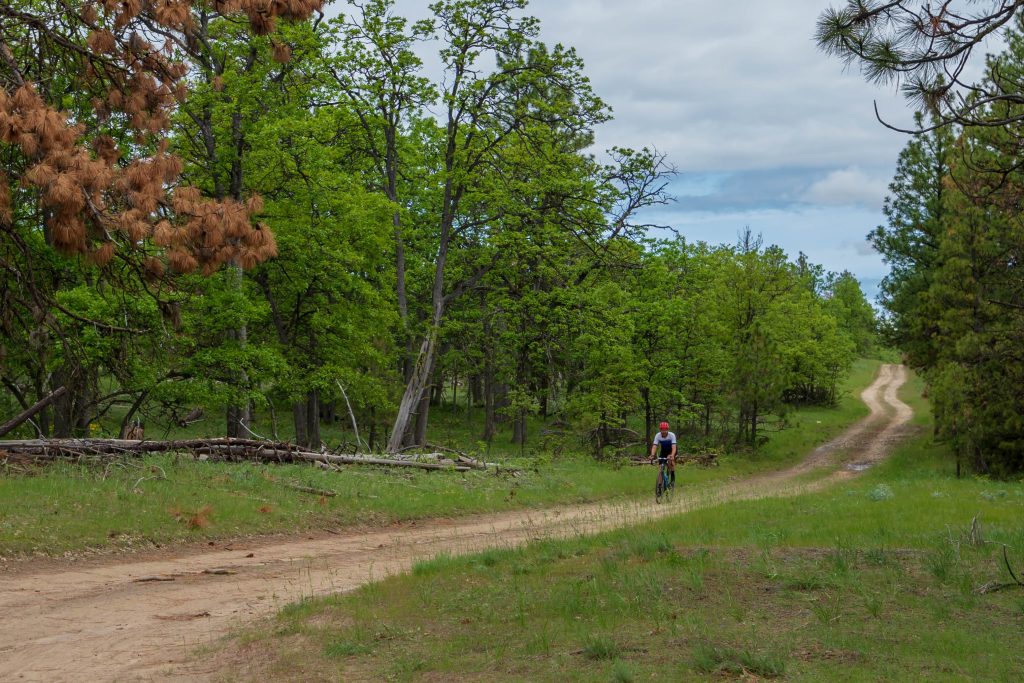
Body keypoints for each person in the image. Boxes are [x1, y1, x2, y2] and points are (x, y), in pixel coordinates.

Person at [650, 421, 677, 488]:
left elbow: (674, 447)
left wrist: (672, 455)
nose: (663, 431)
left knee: (670, 461)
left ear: (667, 429)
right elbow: (654, 446)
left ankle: (672, 478)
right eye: (662, 429)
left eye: (665, 430)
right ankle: (659, 486)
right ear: (660, 430)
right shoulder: (658, 435)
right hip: (663, 451)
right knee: (660, 468)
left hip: (671, 450)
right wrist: (652, 455)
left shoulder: (672, 435)